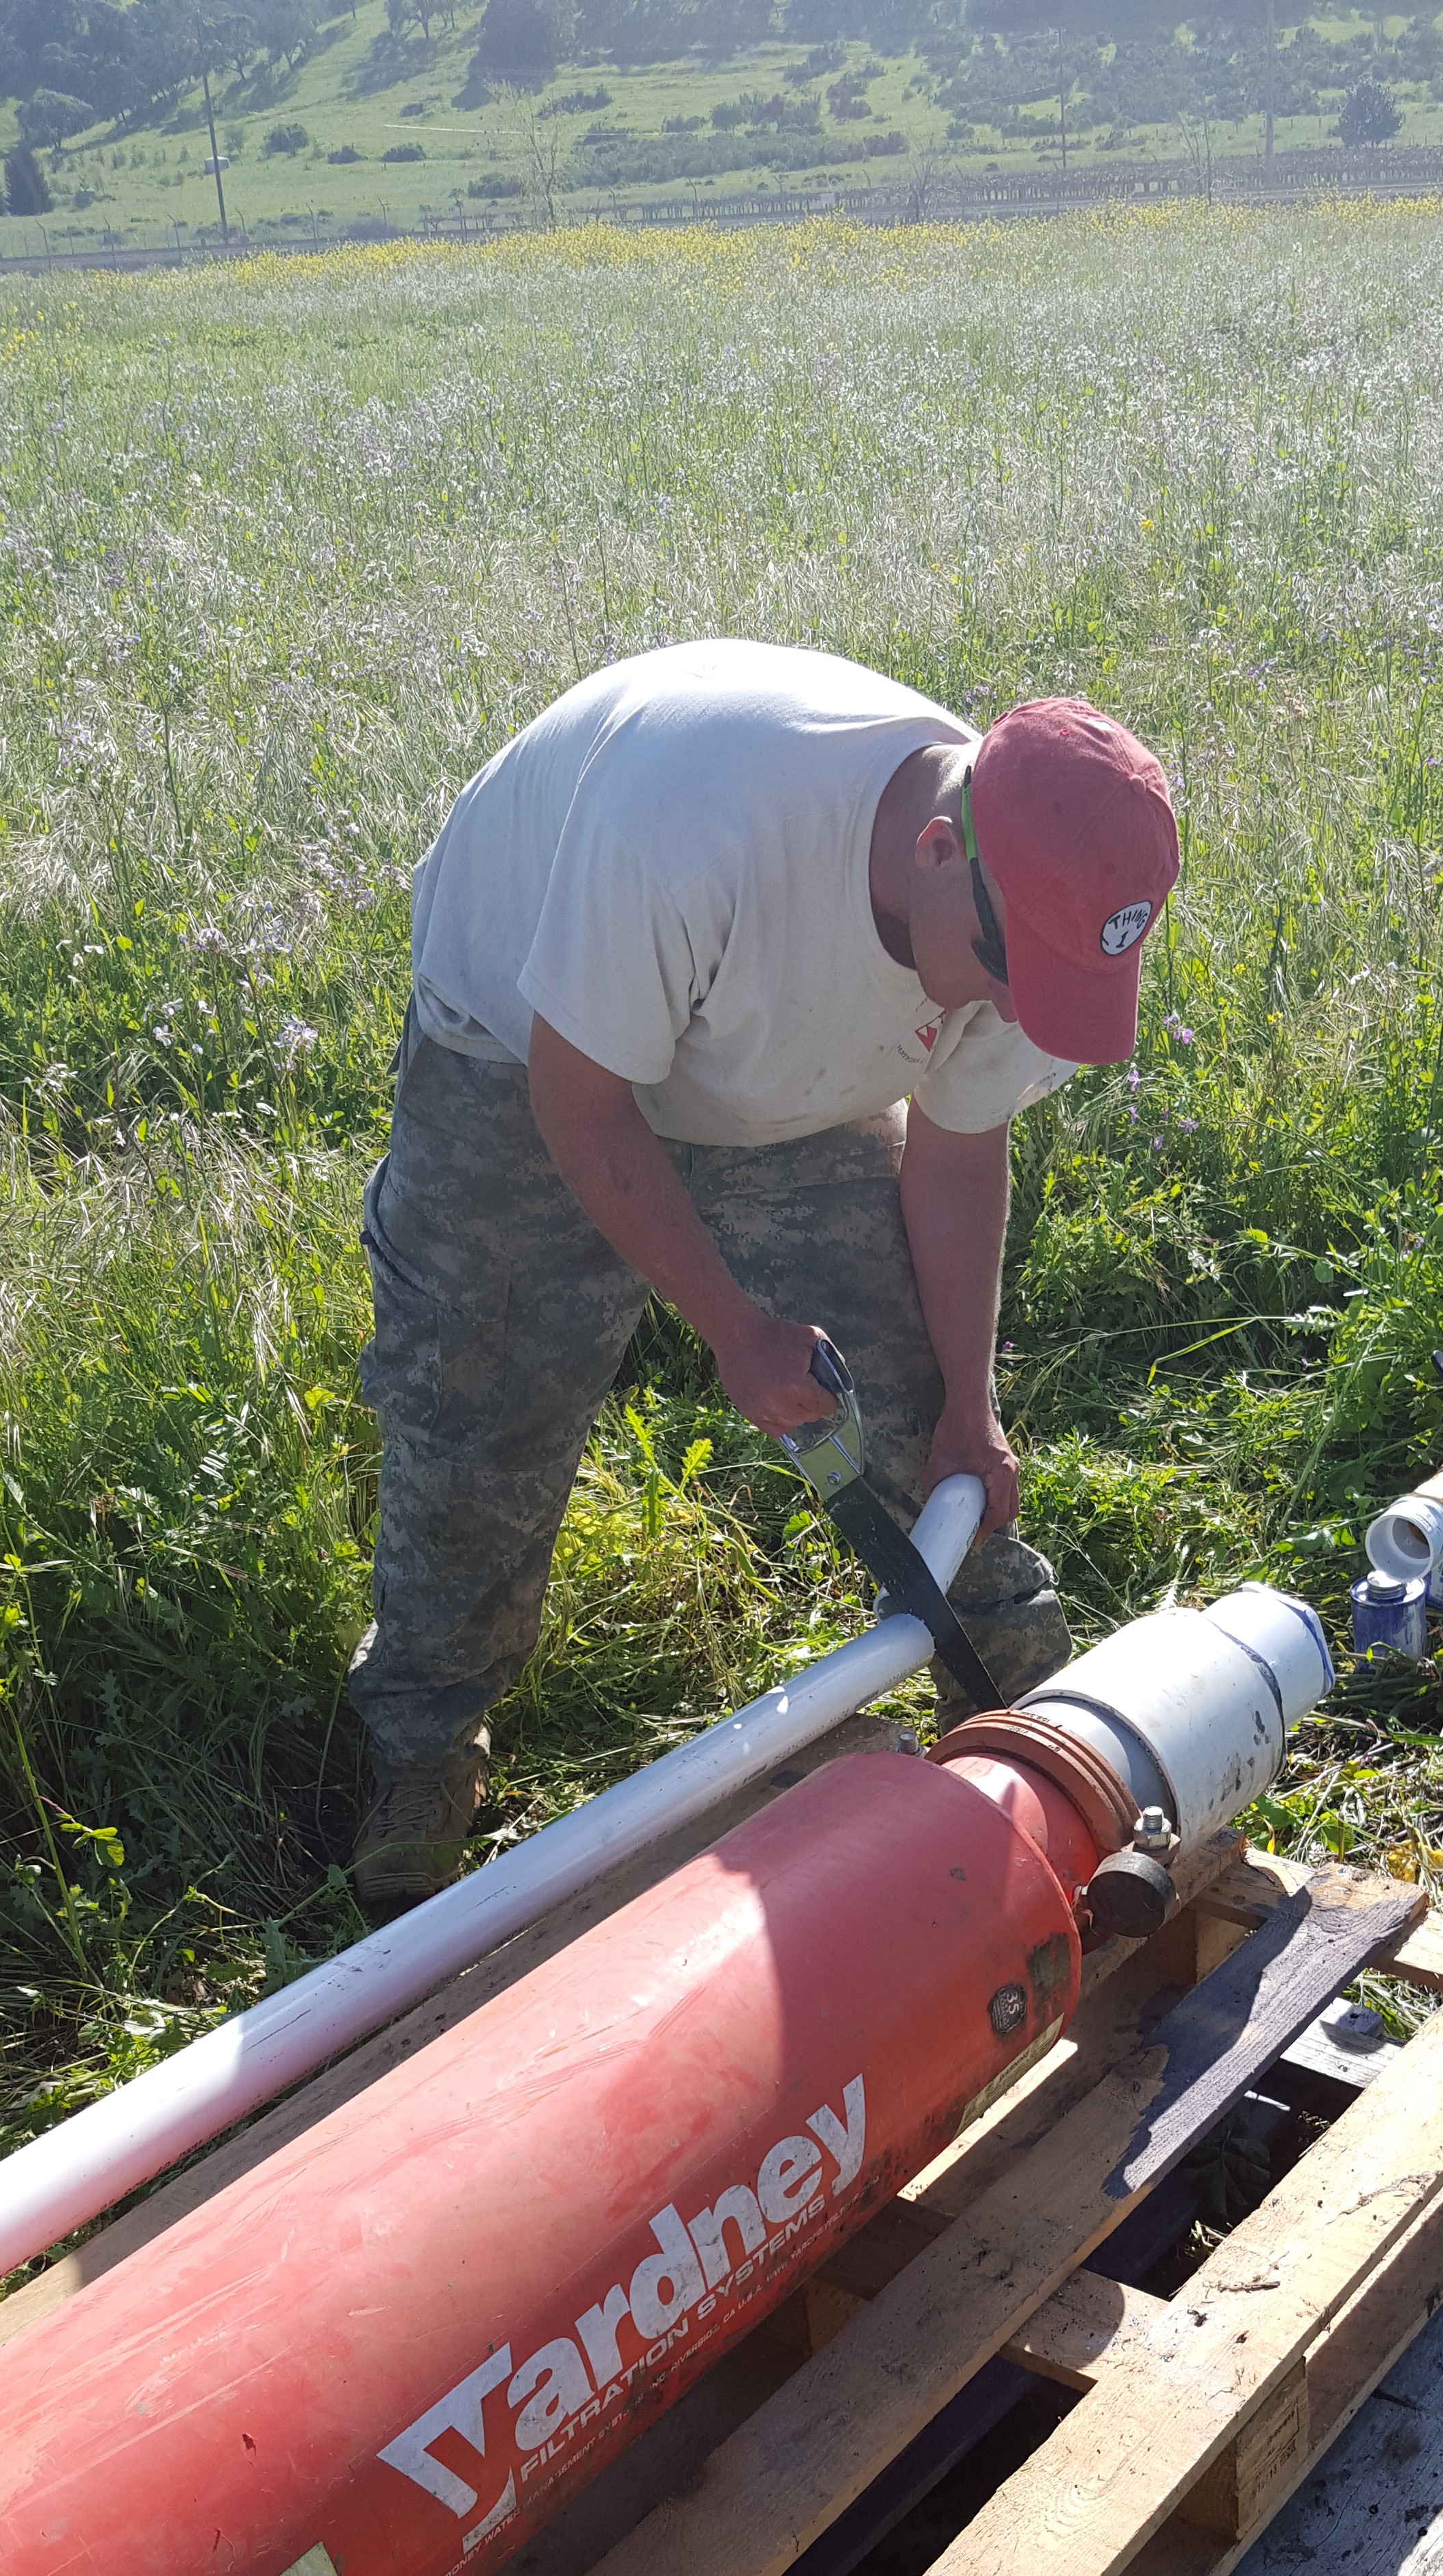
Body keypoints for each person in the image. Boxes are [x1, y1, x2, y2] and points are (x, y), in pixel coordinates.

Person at [347, 639, 1180, 1908]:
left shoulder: (1035, 888)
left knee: (910, 1408)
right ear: (938, 855)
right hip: (525, 1047)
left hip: (781, 1064)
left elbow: (960, 1154)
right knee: (481, 1402)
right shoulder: (697, 824)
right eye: (1017, 976)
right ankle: (419, 1749)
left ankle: (1034, 1719)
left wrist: (972, 1397)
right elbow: (584, 1102)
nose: (1019, 1011)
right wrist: (733, 1325)